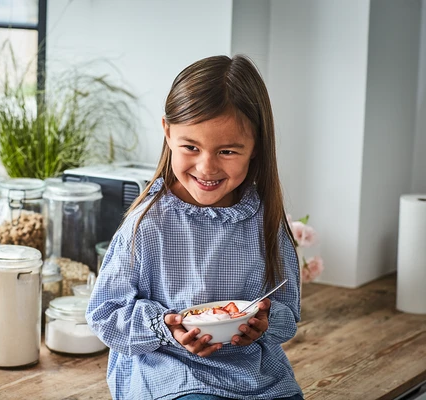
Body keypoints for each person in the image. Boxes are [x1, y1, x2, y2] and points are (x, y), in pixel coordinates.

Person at [85, 54, 303, 400]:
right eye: (191, 147)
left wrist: (262, 324)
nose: (206, 167)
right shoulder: (149, 223)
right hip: (170, 372)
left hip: (256, 378)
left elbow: (288, 314)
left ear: (256, 147)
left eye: (228, 151)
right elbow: (105, 313)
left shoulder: (265, 221)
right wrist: (167, 328)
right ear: (167, 133)